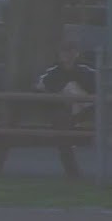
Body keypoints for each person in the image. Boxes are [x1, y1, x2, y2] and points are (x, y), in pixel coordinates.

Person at [34, 39, 97, 180]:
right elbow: (40, 87)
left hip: (85, 112)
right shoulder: (52, 72)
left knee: (73, 88)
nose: (67, 55)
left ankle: (73, 173)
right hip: (62, 113)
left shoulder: (87, 70)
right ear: (59, 54)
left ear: (76, 53)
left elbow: (96, 91)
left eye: (70, 51)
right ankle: (72, 174)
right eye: (64, 51)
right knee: (63, 128)